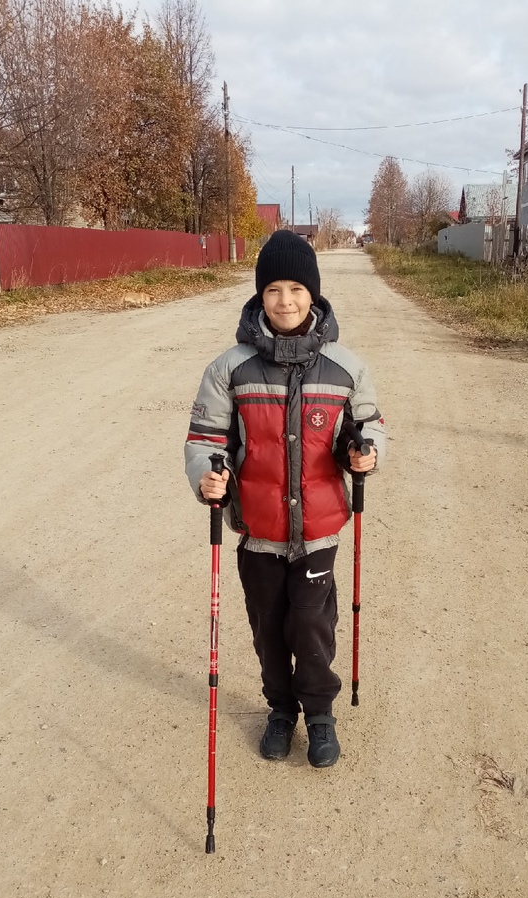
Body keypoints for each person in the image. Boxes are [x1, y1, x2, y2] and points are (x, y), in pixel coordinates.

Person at [185, 230, 385, 768]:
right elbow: (206, 440)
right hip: (258, 531)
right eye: (273, 289)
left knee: (312, 625)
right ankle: (280, 710)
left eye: (296, 288)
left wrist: (364, 454)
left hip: (319, 529)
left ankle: (319, 714)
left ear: (313, 294)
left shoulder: (347, 368)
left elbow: (367, 427)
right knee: (268, 626)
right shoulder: (230, 368)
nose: (285, 300)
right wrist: (208, 477)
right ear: (260, 295)